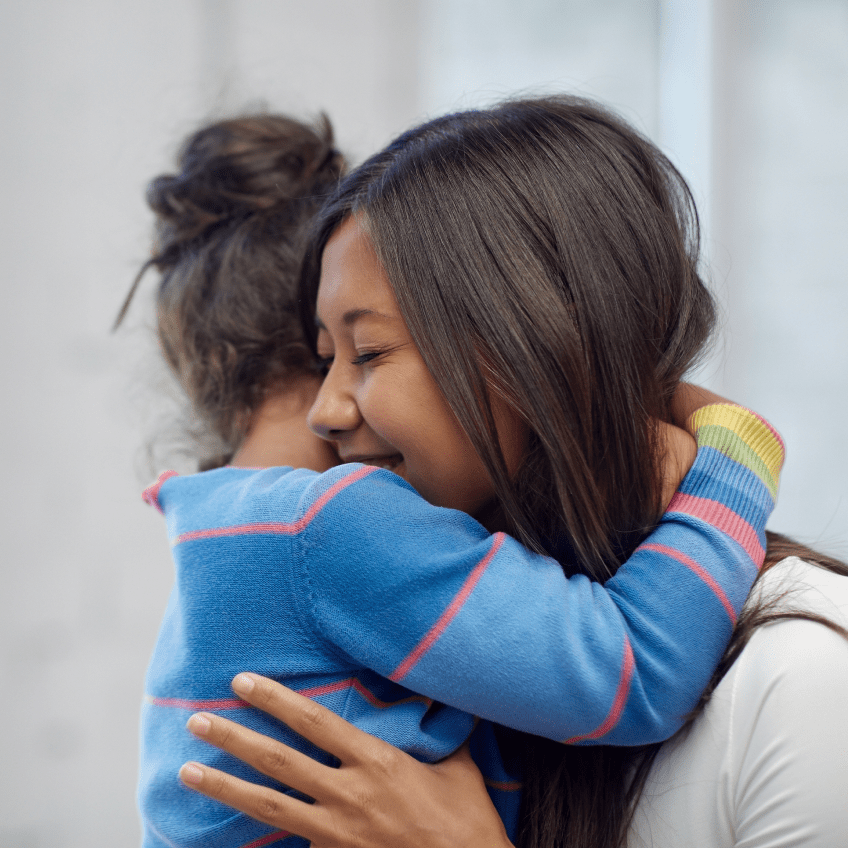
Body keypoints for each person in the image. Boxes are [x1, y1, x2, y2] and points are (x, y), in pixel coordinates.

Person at [168, 100, 848, 848]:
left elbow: (637, 672)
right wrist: (731, 461)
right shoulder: (445, 649)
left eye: (368, 354)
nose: (324, 413)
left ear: (537, 348)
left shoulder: (803, 674)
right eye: (324, 358)